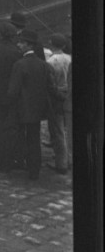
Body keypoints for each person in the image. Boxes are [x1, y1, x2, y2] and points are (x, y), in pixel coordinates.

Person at [7, 29, 55, 182]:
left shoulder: (19, 65)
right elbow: (49, 87)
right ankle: (35, 170)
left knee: (21, 136)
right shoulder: (43, 65)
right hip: (38, 108)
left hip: (22, 108)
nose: (19, 44)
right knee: (34, 138)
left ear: (28, 45)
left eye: (21, 42)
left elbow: (13, 91)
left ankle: (21, 161)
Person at [0, 22, 25, 173]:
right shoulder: (17, 51)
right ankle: (18, 156)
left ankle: (2, 159)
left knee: (0, 126)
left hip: (0, 90)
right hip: (15, 92)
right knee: (16, 125)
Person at [45, 34, 71, 175]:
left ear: (52, 44)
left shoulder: (51, 61)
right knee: (68, 130)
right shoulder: (70, 58)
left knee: (58, 131)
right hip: (70, 96)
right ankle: (69, 158)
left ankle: (61, 163)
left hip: (57, 98)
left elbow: (50, 85)